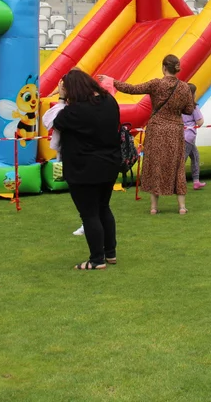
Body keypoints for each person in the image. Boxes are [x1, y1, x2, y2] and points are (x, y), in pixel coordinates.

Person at [99, 54, 195, 215]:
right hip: (175, 129)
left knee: (155, 164)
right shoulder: (185, 87)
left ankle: (153, 207)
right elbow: (189, 110)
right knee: (177, 165)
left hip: (156, 129)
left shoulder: (155, 84)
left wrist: (112, 81)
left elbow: (132, 89)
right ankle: (182, 206)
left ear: (164, 68)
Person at [51, 70, 122, 270]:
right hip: (109, 163)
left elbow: (56, 122)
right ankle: (110, 253)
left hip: (84, 168)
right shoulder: (109, 101)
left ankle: (97, 259)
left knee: (89, 214)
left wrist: (62, 98)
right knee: (103, 208)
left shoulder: (75, 110)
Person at [183, 83, 205, 190]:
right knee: (182, 159)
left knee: (195, 156)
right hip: (189, 136)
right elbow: (200, 122)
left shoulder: (179, 106)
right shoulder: (193, 107)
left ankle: (196, 181)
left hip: (181, 136)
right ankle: (176, 182)